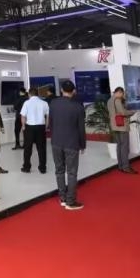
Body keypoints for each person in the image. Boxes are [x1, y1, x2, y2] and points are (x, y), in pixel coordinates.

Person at [49, 80, 86, 210]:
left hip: (56, 142)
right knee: (72, 172)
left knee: (59, 170)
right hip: (72, 143)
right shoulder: (78, 107)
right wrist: (82, 145)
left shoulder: (53, 103)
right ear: (73, 91)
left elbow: (51, 123)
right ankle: (71, 201)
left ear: (61, 90)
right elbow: (81, 128)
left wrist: (54, 137)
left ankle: (63, 198)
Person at [107, 87, 137, 174]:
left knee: (119, 146)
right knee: (124, 147)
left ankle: (120, 166)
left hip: (114, 126)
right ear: (120, 92)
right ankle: (126, 167)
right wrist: (132, 112)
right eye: (123, 94)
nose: (123, 96)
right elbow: (123, 112)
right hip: (122, 126)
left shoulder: (109, 100)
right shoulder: (117, 100)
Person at [20, 87, 49, 174]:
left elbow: (23, 116)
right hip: (41, 127)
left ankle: (26, 167)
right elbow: (47, 117)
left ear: (29, 94)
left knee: (27, 148)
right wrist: (46, 127)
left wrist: (23, 126)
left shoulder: (27, 103)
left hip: (29, 127)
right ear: (37, 94)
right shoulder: (44, 103)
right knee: (41, 148)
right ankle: (42, 168)